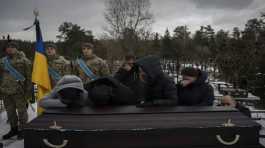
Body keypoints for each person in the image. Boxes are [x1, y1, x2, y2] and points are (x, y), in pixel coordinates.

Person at [0, 42, 32, 139]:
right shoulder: (2, 61)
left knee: (22, 112)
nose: (10, 49)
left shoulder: (24, 60)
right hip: (6, 91)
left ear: (16, 49)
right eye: (8, 47)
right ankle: (13, 129)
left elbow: (29, 77)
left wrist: (28, 91)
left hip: (19, 91)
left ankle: (23, 129)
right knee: (10, 112)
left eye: (12, 47)